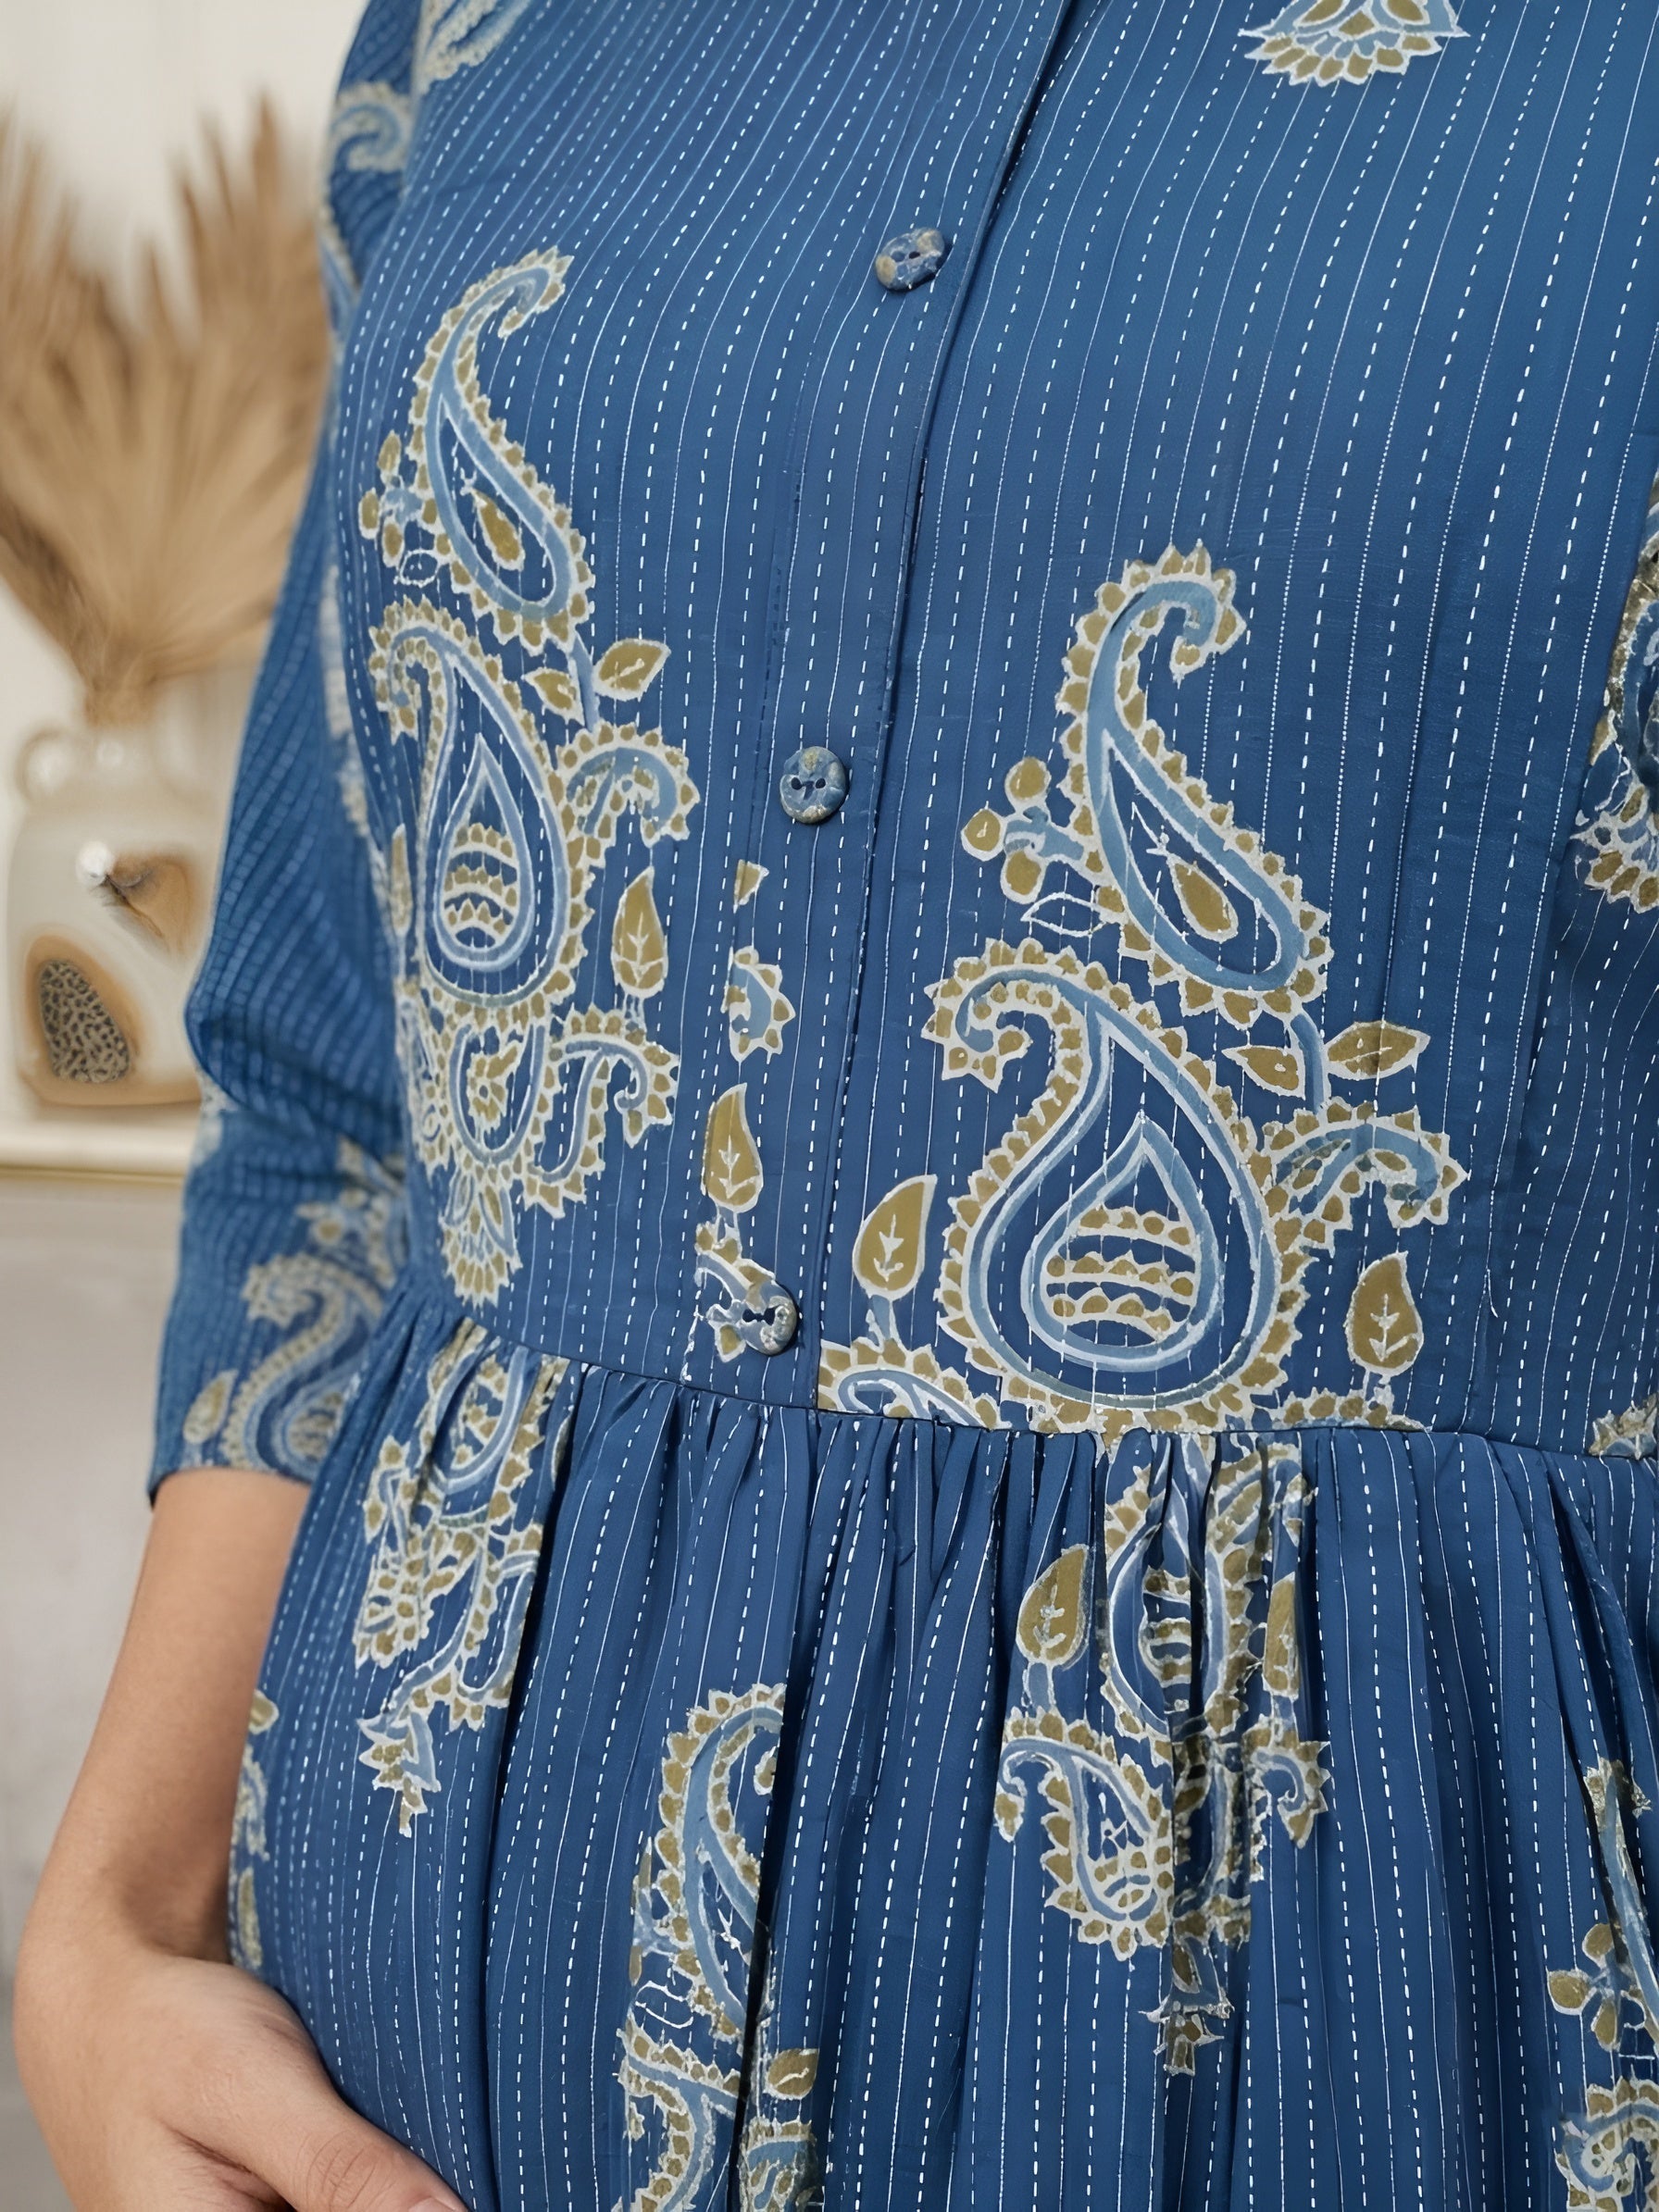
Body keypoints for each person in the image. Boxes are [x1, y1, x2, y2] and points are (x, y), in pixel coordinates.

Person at [19, 0, 1659, 2205]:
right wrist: (108, 1929)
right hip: (413, 2050)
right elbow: (341, 1105)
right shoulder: (485, 34)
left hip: (1364, 2026)